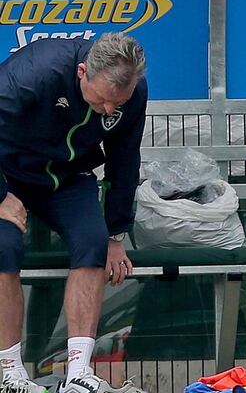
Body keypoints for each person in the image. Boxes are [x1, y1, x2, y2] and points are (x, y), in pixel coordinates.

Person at [0, 33, 147, 393]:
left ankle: (79, 372)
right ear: (82, 72)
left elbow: (124, 160)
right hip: (10, 176)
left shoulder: (133, 92)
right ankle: (9, 372)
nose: (110, 111)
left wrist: (115, 234)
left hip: (67, 177)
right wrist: (1, 197)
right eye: (102, 100)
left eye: (119, 102)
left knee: (92, 242)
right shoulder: (33, 72)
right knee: (4, 249)